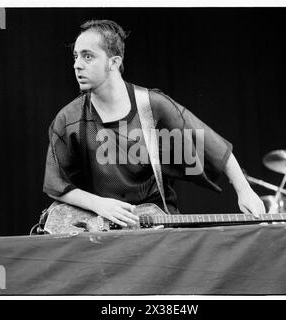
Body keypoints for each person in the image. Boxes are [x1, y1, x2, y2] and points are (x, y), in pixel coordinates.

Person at [43, 19, 265, 228]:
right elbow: (56, 185)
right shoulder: (68, 119)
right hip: (100, 226)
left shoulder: (152, 106)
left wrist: (244, 190)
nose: (77, 65)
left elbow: (214, 147)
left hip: (153, 222)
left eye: (87, 56)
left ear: (114, 62)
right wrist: (99, 205)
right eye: (75, 56)